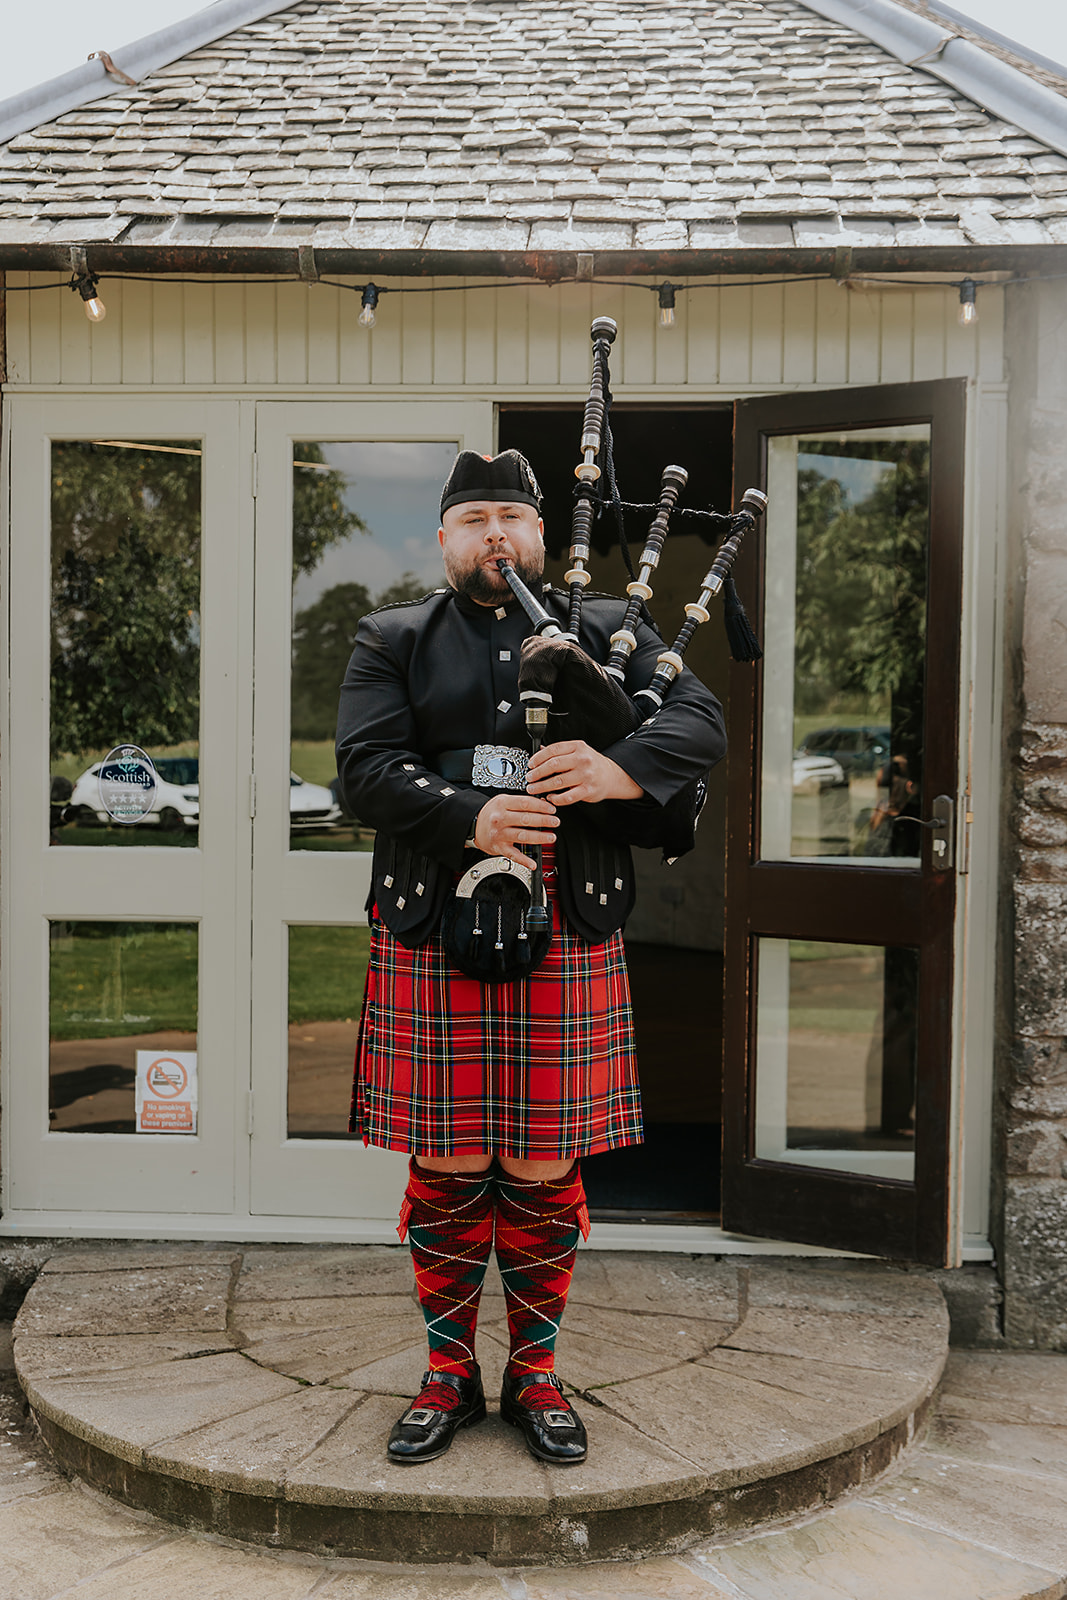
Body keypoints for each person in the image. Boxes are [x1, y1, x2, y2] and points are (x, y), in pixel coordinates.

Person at [336, 448, 725, 1468]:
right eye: (475, 519)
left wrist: (615, 766)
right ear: (444, 537)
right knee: (453, 1161)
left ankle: (537, 1371)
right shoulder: (393, 638)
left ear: (541, 536)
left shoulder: (607, 631)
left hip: (569, 927)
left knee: (542, 1165)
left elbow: (698, 721)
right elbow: (364, 770)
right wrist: (470, 816)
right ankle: (448, 1371)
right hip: (433, 927)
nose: (495, 534)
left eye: (512, 516)